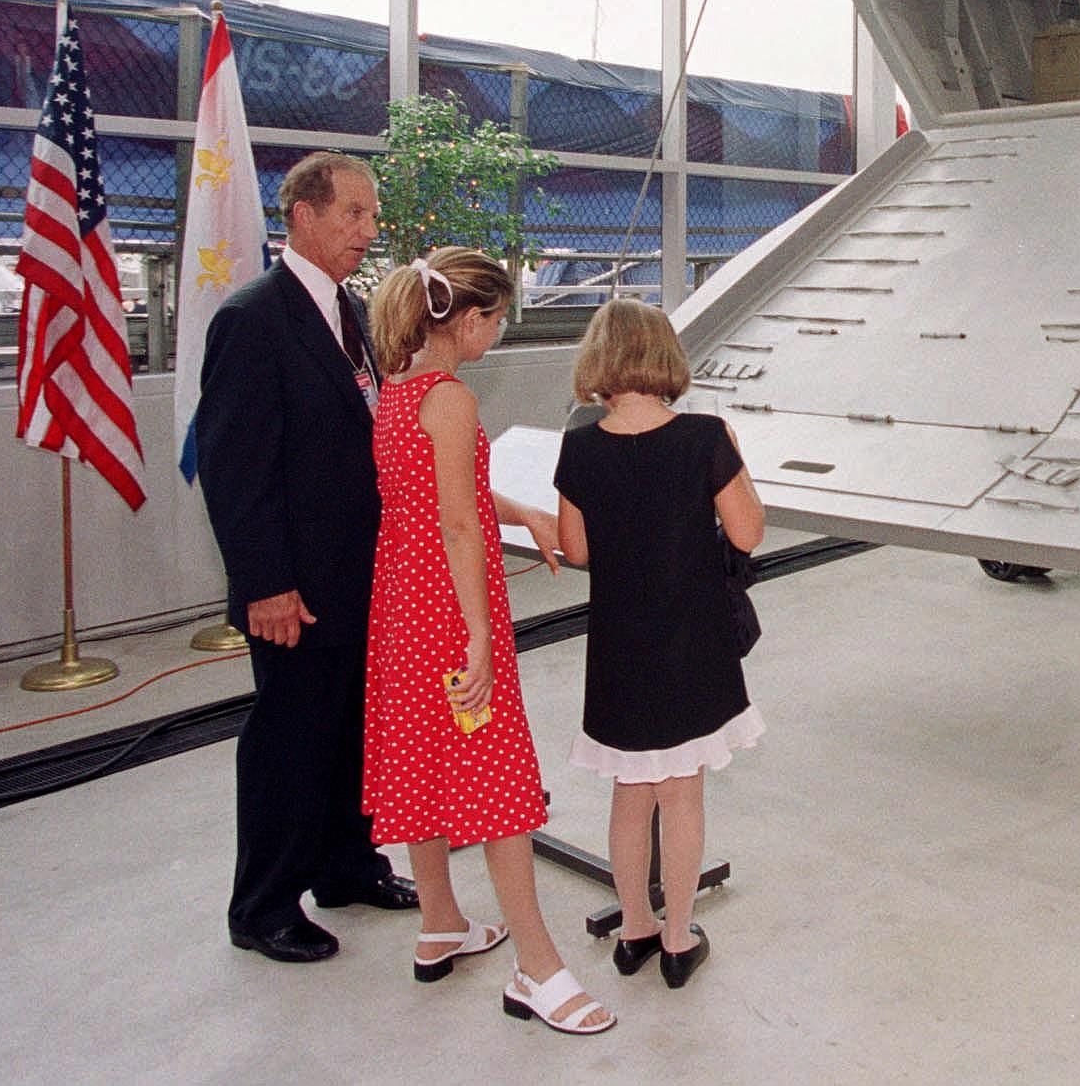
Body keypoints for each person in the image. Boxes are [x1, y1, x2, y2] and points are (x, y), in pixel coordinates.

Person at [364, 247, 611, 1035]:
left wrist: (525, 513)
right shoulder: (453, 400)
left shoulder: (398, 391)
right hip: (446, 612)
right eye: (497, 319)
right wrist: (477, 635)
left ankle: (440, 919)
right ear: (467, 319)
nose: (498, 334)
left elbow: (451, 491)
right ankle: (537, 966)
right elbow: (457, 521)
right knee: (496, 778)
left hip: (399, 607)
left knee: (426, 763)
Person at [197, 152, 418, 963]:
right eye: (353, 215)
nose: (368, 230)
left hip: (357, 575)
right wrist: (265, 584)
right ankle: (261, 904)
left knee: (351, 730)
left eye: (369, 216)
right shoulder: (254, 318)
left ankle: (345, 863)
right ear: (303, 215)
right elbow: (234, 466)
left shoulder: (347, 309)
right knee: (290, 738)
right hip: (292, 585)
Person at [554, 299, 765, 991]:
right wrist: (736, 454)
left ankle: (634, 928)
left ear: (600, 364)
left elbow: (577, 547)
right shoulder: (705, 437)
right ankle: (678, 938)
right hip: (692, 642)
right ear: (663, 358)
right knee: (682, 793)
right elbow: (748, 533)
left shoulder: (579, 445)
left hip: (619, 645)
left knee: (630, 790)